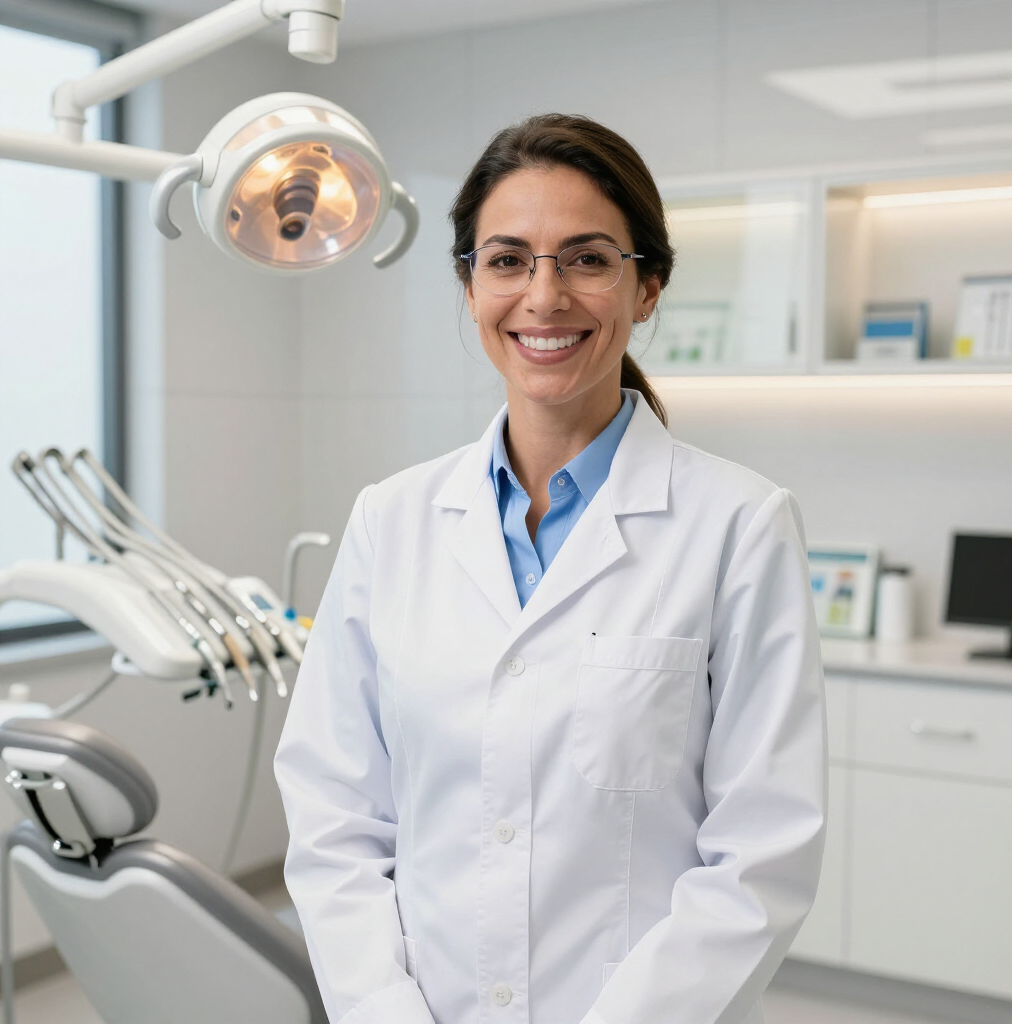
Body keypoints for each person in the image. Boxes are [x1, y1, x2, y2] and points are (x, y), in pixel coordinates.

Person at [275, 113, 826, 1024]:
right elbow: (336, 813)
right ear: (468, 285)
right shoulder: (392, 519)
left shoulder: (740, 525)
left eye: (586, 258)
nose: (544, 295)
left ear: (646, 287)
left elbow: (761, 853)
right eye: (507, 259)